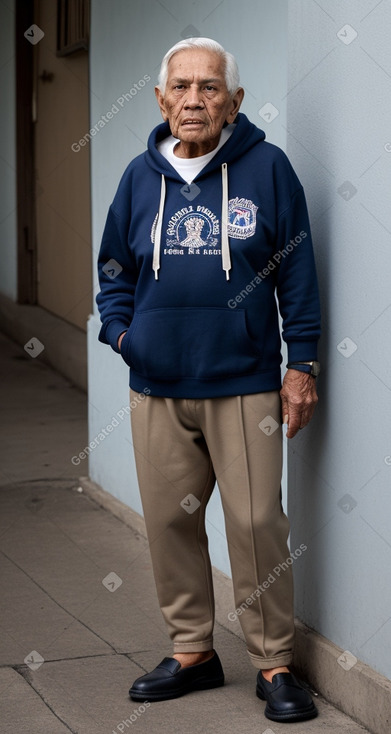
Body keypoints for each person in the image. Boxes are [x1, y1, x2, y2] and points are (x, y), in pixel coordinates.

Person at [96, 37, 321, 724]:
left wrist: (300, 365)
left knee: (255, 524)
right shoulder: (138, 178)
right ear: (162, 99)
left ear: (234, 101)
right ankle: (192, 650)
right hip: (157, 385)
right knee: (169, 522)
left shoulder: (268, 169)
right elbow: (113, 272)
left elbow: (299, 275)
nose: (195, 99)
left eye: (210, 88)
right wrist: (123, 336)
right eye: (182, 87)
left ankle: (274, 661)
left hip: (244, 381)